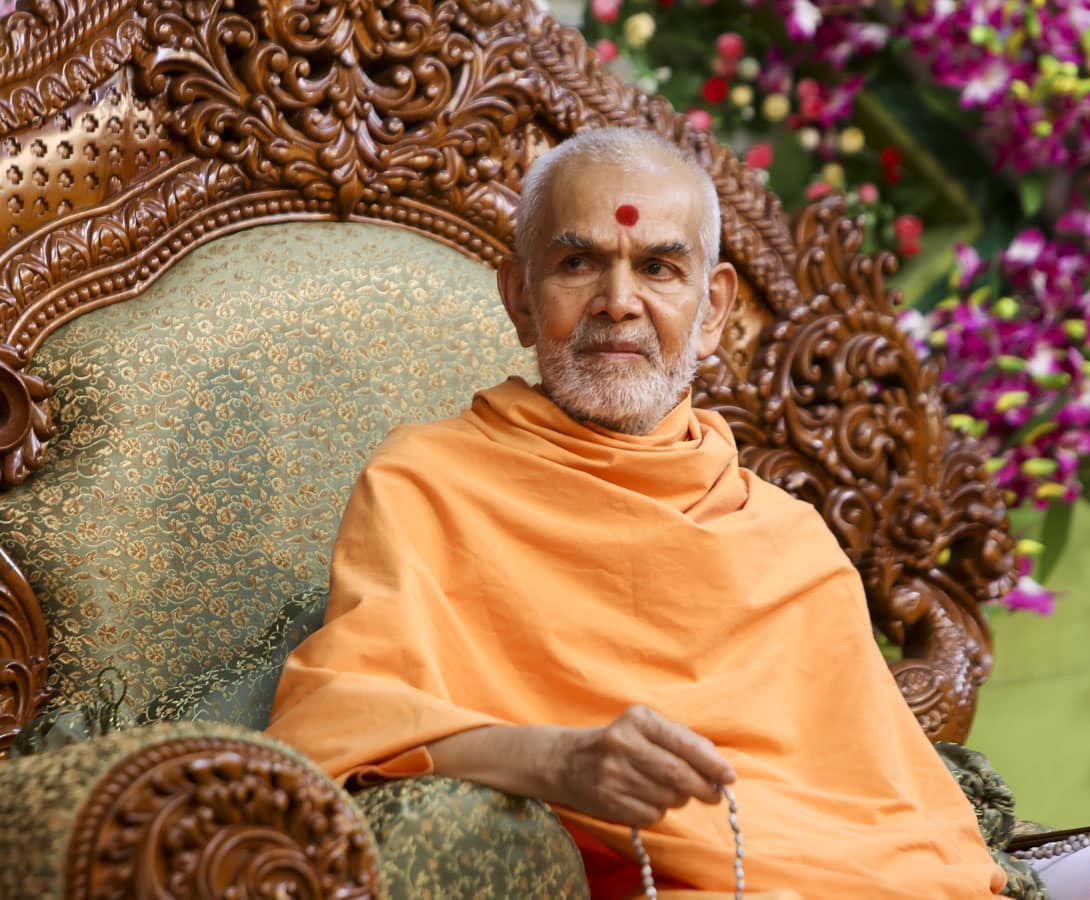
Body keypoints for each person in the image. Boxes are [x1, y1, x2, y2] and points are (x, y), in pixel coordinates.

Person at [266, 126, 1007, 898]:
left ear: (712, 310)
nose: (619, 304)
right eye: (578, 263)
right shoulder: (428, 484)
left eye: (658, 267)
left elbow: (896, 810)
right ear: (520, 296)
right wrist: (556, 762)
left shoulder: (787, 541)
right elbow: (338, 725)